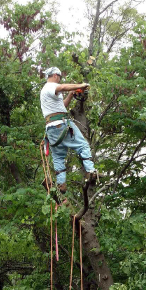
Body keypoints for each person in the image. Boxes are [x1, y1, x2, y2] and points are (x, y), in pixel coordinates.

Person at [40, 66, 97, 195]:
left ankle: (61, 184)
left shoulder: (46, 92)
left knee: (58, 156)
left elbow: (62, 106)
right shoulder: (50, 86)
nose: (59, 79)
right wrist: (81, 85)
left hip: (51, 128)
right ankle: (91, 171)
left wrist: (71, 94)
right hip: (62, 124)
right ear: (55, 75)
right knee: (82, 145)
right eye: (59, 77)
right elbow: (63, 87)